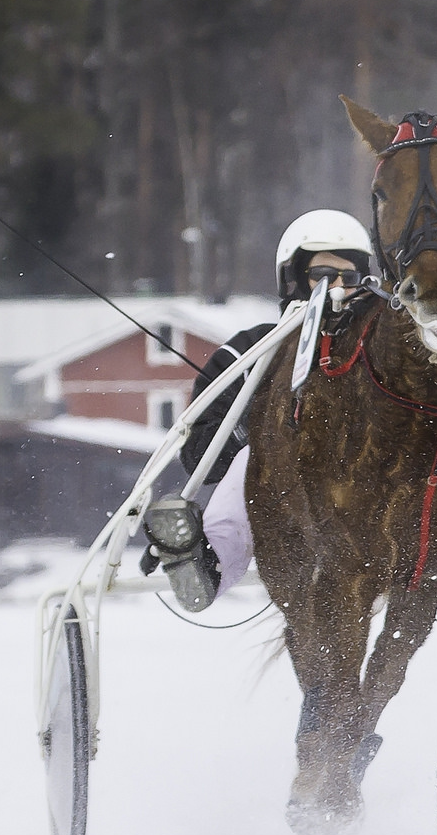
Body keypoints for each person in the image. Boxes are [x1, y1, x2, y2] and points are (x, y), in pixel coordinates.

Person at [141, 211, 374, 610]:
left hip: (369, 491)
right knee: (257, 459)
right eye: (322, 274)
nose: (336, 287)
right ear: (296, 278)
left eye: (348, 278)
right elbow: (199, 453)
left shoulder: (381, 355)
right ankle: (205, 564)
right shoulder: (250, 351)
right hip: (285, 496)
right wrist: (259, 431)